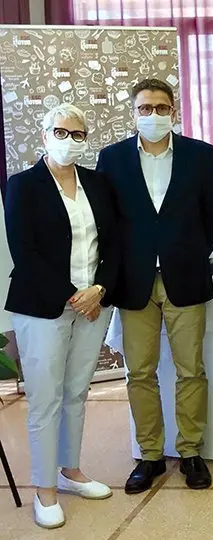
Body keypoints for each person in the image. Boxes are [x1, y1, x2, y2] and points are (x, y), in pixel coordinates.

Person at [96, 78, 213, 494]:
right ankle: (149, 454)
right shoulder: (111, 159)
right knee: (140, 372)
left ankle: (190, 452)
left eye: (161, 107)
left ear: (174, 110)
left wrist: (184, 251)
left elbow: (211, 217)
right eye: (145, 108)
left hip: (184, 275)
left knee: (191, 371)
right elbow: (108, 221)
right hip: (134, 282)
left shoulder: (200, 155)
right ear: (133, 113)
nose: (153, 115)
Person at [4, 104, 119, 528]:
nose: (69, 140)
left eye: (78, 133)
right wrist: (74, 296)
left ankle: (69, 471)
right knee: (45, 399)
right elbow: (25, 252)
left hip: (94, 302)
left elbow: (115, 242)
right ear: (45, 134)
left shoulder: (97, 183)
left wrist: (99, 289)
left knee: (75, 392)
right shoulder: (22, 185)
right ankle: (44, 489)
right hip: (43, 307)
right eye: (61, 131)